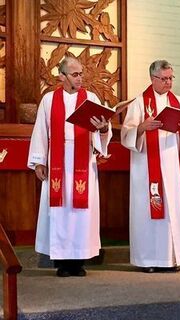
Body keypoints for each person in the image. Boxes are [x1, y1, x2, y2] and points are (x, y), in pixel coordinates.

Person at [28, 57, 112, 277]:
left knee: (81, 212)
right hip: (58, 160)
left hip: (83, 159)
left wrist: (103, 129)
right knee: (60, 210)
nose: (80, 78)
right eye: (75, 74)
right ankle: (62, 263)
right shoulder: (49, 100)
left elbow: (101, 131)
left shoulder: (91, 98)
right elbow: (41, 131)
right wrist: (39, 161)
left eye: (81, 73)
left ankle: (79, 261)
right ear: (62, 76)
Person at [121, 60, 180, 273]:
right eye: (164, 78)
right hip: (148, 168)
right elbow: (125, 134)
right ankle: (149, 260)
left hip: (174, 165)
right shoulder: (139, 103)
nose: (168, 83)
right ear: (152, 78)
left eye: (170, 78)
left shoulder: (179, 101)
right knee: (151, 213)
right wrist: (141, 128)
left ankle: (172, 259)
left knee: (172, 212)